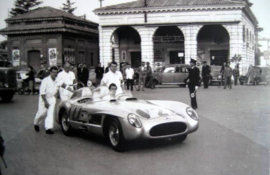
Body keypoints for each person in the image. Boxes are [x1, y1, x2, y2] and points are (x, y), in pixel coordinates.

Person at [33, 66, 59, 134]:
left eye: (56, 72)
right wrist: (45, 102)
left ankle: (48, 128)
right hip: (44, 98)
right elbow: (42, 92)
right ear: (50, 72)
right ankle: (36, 122)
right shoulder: (45, 80)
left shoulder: (57, 80)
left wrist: (72, 90)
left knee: (50, 114)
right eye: (53, 72)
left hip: (52, 98)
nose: (55, 74)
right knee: (41, 113)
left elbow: (63, 85)